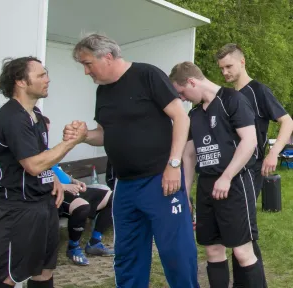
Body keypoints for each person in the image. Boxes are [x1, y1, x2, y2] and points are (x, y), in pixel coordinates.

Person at [63, 34, 199, 288]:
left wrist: (173, 165)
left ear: (108, 57)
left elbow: (181, 118)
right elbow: (104, 133)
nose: (85, 71)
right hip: (125, 186)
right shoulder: (103, 92)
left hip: (161, 180)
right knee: (128, 255)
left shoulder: (147, 75)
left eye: (87, 63)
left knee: (176, 253)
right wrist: (83, 136)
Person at [0, 57, 86, 288]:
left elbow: (40, 157)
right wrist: (70, 142)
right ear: (20, 82)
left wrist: (52, 177)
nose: (48, 79)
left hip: (44, 206)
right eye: (41, 75)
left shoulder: (34, 114)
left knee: (44, 271)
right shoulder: (12, 117)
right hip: (18, 210)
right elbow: (33, 165)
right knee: (7, 277)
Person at [169, 61, 263, 288]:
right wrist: (186, 192)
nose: (181, 98)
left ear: (191, 82)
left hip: (235, 183)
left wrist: (227, 176)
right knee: (212, 250)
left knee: (242, 252)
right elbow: (189, 155)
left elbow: (250, 141)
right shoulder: (194, 114)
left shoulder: (232, 100)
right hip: (206, 186)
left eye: (181, 92)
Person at [216, 43, 293, 288]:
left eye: (229, 66)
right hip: (231, 171)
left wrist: (273, 153)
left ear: (242, 62)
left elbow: (287, 122)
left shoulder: (258, 91)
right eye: (221, 68)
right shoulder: (227, 96)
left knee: (246, 229)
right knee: (237, 229)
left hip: (251, 169)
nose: (225, 72)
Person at [43, 116, 114, 266]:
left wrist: (74, 181)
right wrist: (64, 186)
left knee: (113, 197)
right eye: (43, 131)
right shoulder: (35, 154)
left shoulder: (49, 151)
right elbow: (42, 177)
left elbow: (59, 172)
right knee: (82, 206)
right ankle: (73, 247)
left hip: (71, 187)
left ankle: (95, 242)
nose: (45, 135)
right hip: (56, 194)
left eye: (47, 131)